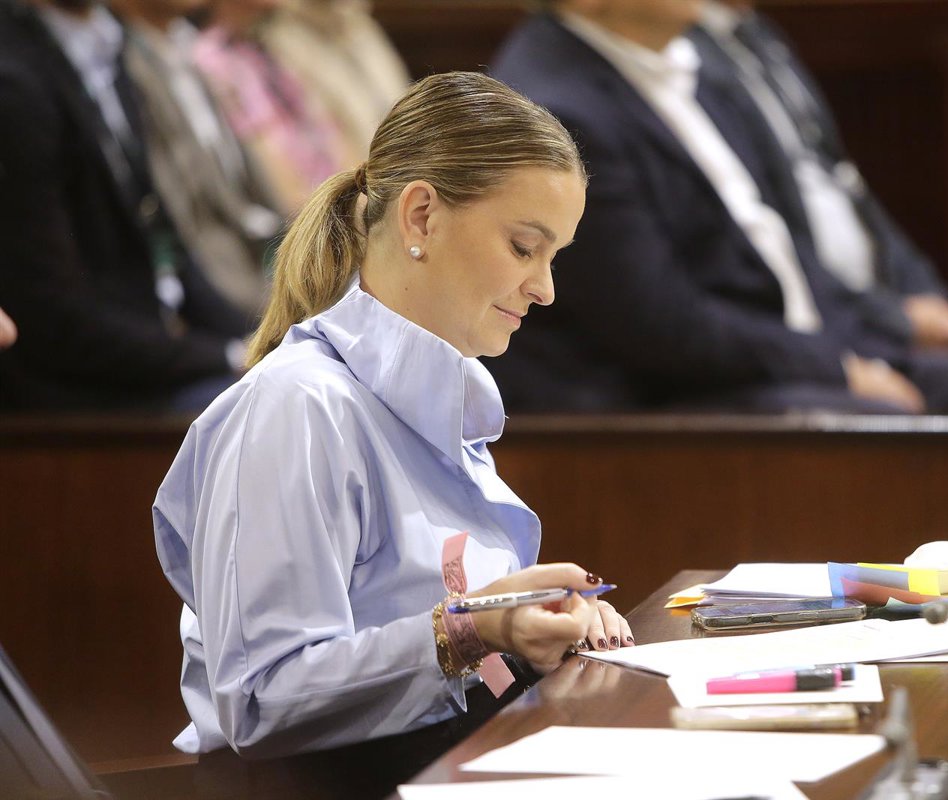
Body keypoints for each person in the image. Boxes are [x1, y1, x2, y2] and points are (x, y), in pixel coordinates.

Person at [152, 71, 630, 791]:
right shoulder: (296, 406)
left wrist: (542, 627)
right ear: (421, 217)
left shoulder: (440, 398)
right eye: (523, 247)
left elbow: (461, 646)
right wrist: (474, 628)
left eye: (552, 257)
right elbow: (260, 698)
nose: (545, 288)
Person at [488, 0, 948, 414]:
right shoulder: (560, 111)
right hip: (658, 393)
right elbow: (660, 325)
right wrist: (835, 369)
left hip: (777, 348)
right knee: (883, 418)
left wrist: (877, 332)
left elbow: (784, 240)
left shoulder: (701, 65)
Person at [691, 0, 948, 378]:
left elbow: (848, 185)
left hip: (872, 306)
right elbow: (769, 231)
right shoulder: (689, 58)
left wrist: (926, 293)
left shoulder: (761, 35)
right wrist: (894, 320)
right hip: (825, 319)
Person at [0, 0, 250, 411]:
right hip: (81, 396)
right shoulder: (13, 76)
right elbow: (55, 323)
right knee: (283, 406)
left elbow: (165, 241)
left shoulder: (107, 40)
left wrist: (262, 340)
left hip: (151, 354)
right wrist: (227, 355)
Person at [113, 0, 284, 323]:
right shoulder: (123, 64)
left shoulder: (183, 45)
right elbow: (186, 219)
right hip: (220, 280)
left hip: (259, 250)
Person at [193, 0, 356, 214]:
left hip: (339, 191)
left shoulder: (270, 42)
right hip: (309, 212)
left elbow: (325, 121)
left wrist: (358, 185)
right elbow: (259, 153)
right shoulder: (210, 59)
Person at [260, 0, 411, 160]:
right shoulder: (279, 41)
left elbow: (401, 106)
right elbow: (331, 148)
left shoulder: (362, 25)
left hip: (406, 161)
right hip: (364, 169)